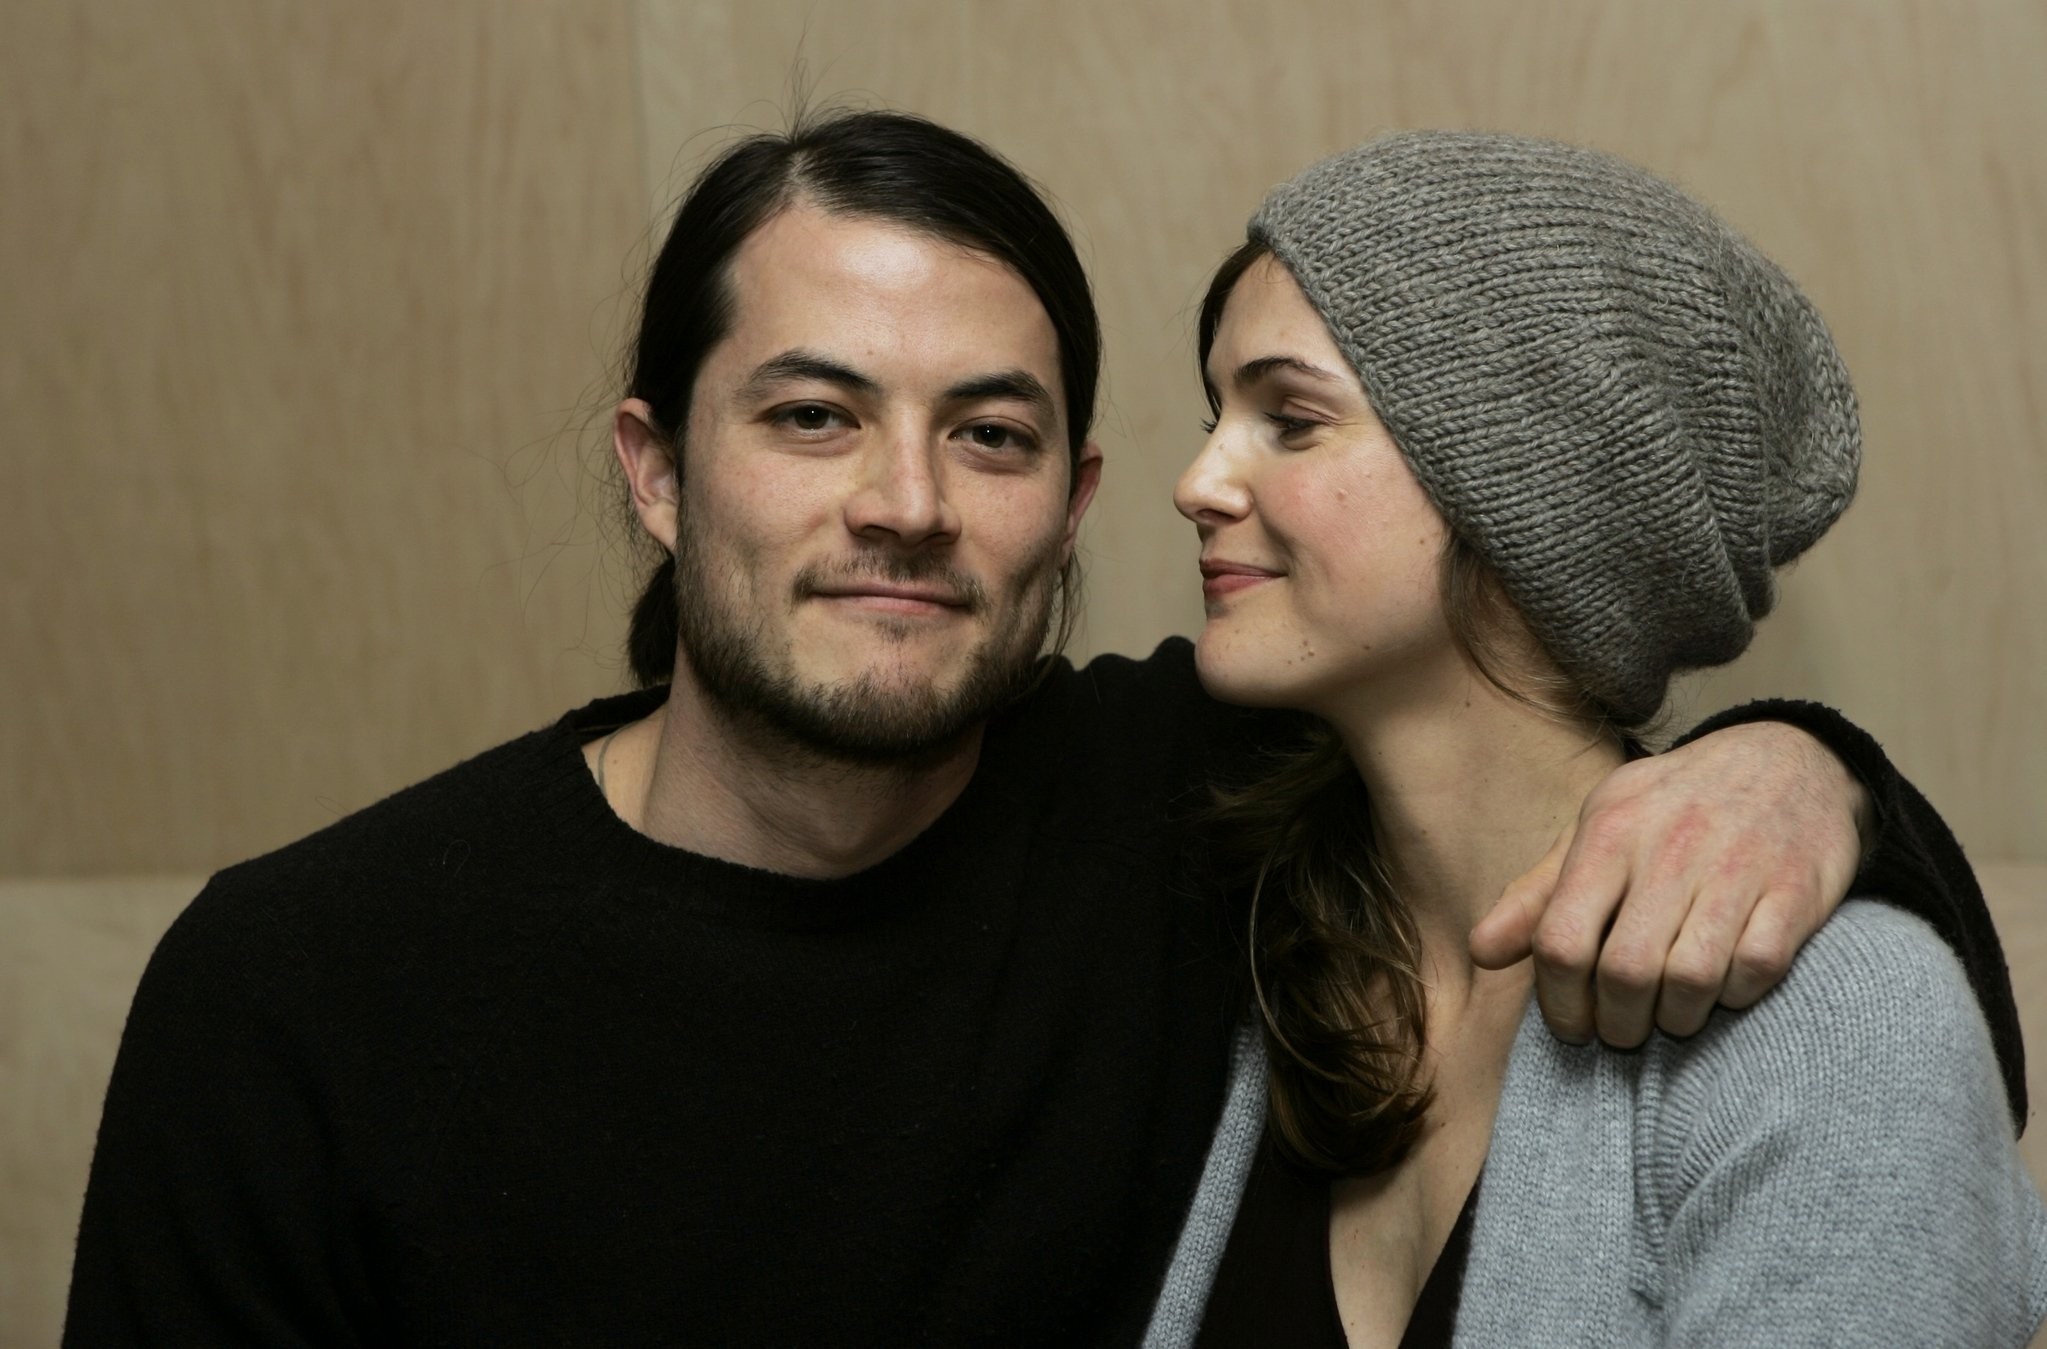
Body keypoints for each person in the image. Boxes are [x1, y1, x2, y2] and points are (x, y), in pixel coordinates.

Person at [65, 111, 2020, 1347]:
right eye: (812, 415)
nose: (909, 502)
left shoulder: (1179, 831)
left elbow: (1847, 1045)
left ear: (1061, 507)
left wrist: (1807, 768)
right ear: (656, 470)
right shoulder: (304, 985)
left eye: (990, 433)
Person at [1153, 131, 2046, 1346]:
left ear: (1527, 494)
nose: (1197, 480)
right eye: (1218, 414)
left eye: (1292, 419)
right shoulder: (1250, 936)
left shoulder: (1840, 1026)